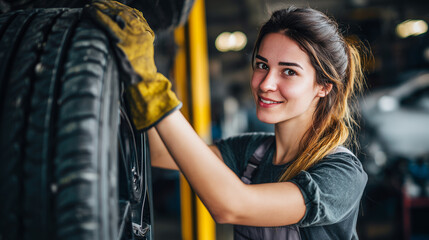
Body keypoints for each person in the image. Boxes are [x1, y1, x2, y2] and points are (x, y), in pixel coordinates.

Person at [88, 1, 368, 239]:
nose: (266, 83)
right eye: (262, 66)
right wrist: (126, 75)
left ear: (324, 86)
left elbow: (232, 205)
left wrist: (151, 87)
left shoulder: (341, 173)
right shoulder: (252, 153)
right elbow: (160, 153)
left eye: (289, 72)